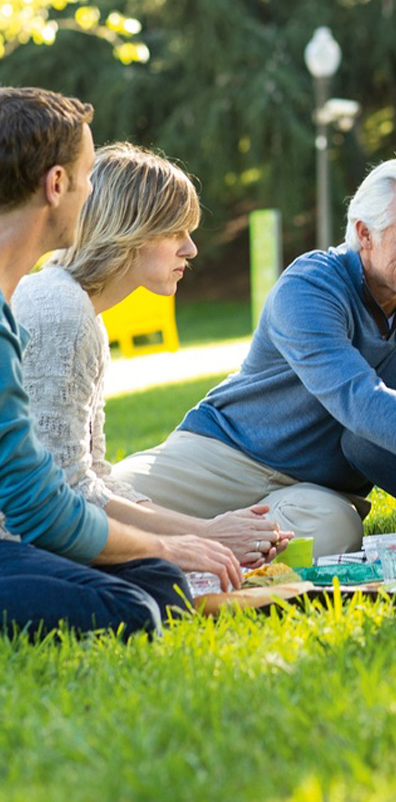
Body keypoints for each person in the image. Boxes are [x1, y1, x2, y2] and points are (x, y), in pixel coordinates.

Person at [113, 158, 396, 557]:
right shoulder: (309, 287)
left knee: (337, 532)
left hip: (315, 491)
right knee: (106, 499)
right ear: (365, 234)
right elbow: (361, 401)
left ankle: (203, 549)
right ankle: (197, 541)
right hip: (226, 455)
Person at [0, 87, 240, 639]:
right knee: (141, 604)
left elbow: (62, 477)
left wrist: (193, 537)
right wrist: (174, 542)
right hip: (17, 539)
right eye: (88, 178)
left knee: (156, 583)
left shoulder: (46, 302)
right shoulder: (59, 309)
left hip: (25, 530)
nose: (94, 194)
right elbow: (44, 505)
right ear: (56, 186)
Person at [10, 143, 290, 568]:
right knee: (150, 596)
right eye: (176, 231)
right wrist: (203, 535)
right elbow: (67, 491)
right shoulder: (62, 312)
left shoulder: (79, 309)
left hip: (40, 536)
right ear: (130, 230)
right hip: (18, 548)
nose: (191, 249)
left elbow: (94, 475)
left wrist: (207, 531)